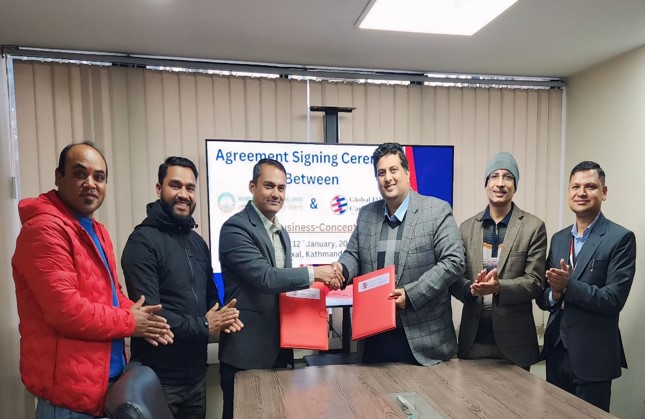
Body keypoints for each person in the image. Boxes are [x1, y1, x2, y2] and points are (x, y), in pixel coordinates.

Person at [12, 142, 172, 418]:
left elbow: (111, 294)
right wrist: (131, 321)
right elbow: (66, 311)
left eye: (99, 177)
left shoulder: (96, 230)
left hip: (103, 391)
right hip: (69, 402)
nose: (90, 183)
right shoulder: (44, 230)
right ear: (59, 177)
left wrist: (141, 315)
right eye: (79, 174)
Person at [218, 158, 343, 419]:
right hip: (246, 355)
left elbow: (283, 287)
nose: (276, 193)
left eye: (282, 188)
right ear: (252, 187)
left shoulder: (282, 232)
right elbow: (266, 279)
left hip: (280, 350)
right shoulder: (235, 228)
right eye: (269, 186)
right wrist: (316, 273)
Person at [122, 156, 242, 419]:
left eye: (190, 188)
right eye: (175, 185)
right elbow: (151, 317)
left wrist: (224, 315)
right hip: (158, 380)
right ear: (159, 189)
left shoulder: (198, 242)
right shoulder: (141, 242)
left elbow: (211, 297)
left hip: (196, 377)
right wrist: (205, 325)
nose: (184, 194)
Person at [332, 142, 465, 366]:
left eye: (393, 170)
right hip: (374, 336)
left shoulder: (436, 211)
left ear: (407, 172)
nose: (388, 178)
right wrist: (342, 270)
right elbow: (353, 255)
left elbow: (454, 262)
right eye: (381, 173)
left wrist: (411, 295)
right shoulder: (366, 214)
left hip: (423, 340)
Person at [537, 161, 636, 412]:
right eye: (575, 187)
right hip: (556, 352)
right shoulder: (559, 239)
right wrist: (555, 293)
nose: (581, 192)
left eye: (590, 186)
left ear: (604, 192)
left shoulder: (620, 238)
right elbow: (543, 295)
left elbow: (613, 299)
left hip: (593, 358)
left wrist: (568, 287)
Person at [450, 152, 546, 369]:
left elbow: (535, 282)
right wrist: (470, 289)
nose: (500, 183)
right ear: (486, 184)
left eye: (508, 177)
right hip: (473, 341)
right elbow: (455, 278)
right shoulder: (466, 228)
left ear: (515, 185)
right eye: (494, 176)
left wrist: (498, 287)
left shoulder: (533, 227)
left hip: (515, 344)